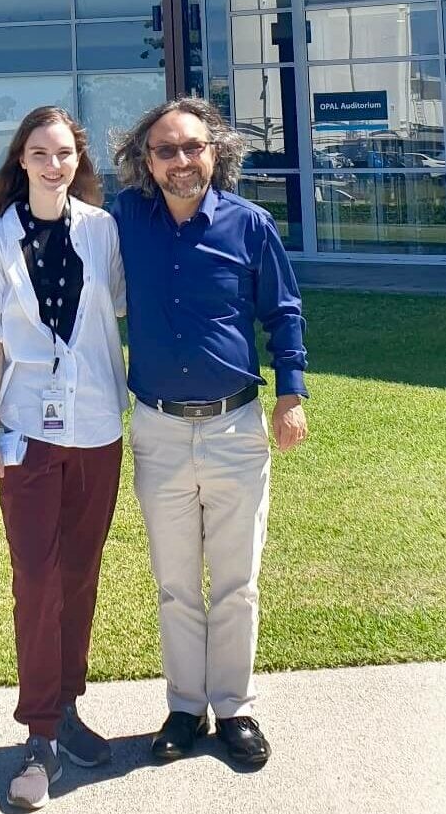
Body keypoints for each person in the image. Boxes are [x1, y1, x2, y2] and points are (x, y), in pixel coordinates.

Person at [110, 97, 308, 770]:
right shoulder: (124, 222)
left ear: (214, 151)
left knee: (235, 580)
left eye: (191, 146)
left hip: (234, 427)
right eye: (164, 149)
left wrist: (291, 397)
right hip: (159, 429)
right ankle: (183, 706)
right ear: (146, 160)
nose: (180, 160)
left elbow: (282, 313)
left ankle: (235, 707)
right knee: (174, 583)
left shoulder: (250, 225)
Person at [0, 106, 128, 811]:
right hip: (26, 433)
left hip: (95, 430)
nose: (51, 164)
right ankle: (37, 732)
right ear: (19, 162)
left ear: (76, 159)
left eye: (62, 152)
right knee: (36, 575)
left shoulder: (102, 231)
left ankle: (67, 710)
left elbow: (121, 309)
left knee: (80, 574)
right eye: (37, 152)